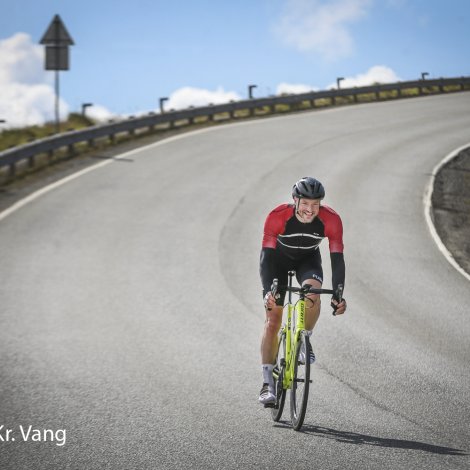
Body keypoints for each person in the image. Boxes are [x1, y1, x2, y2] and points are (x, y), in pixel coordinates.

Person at [258, 176, 347, 405]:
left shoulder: (331, 220)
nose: (310, 210)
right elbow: (266, 258)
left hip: (308, 261)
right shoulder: (277, 216)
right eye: (306, 204)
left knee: (312, 294)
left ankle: (304, 339)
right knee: (273, 320)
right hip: (277, 262)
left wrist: (338, 294)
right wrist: (268, 290)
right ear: (295, 200)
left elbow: (337, 258)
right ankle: (268, 383)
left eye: (315, 204)